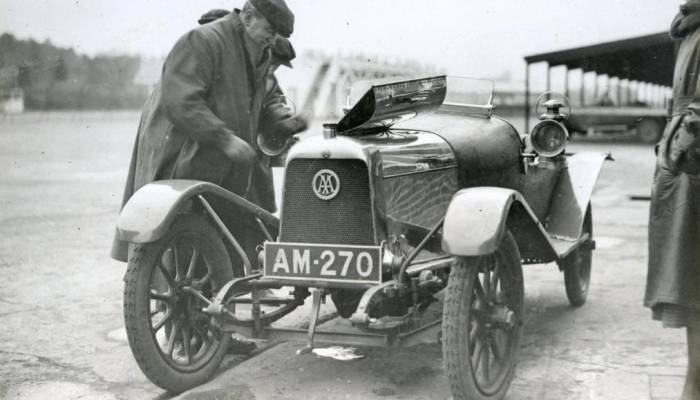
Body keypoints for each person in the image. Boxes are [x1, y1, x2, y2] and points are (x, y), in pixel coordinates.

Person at [110, 0, 296, 263]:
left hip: (219, 165)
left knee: (215, 245)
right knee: (174, 239)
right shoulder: (203, 41)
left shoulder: (257, 52)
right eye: (270, 30)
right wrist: (225, 138)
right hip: (183, 158)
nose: (273, 40)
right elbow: (181, 101)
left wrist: (286, 123)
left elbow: (266, 100)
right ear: (249, 16)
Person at [645, 2, 700, 399]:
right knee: (687, 276)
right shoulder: (688, 29)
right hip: (684, 160)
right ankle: (694, 380)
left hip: (690, 155)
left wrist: (685, 133)